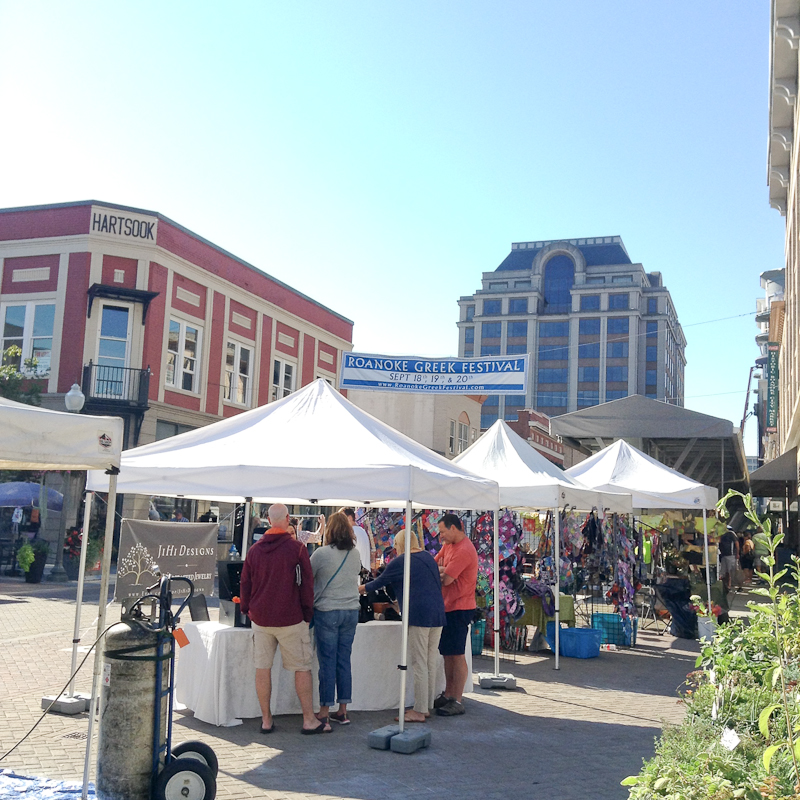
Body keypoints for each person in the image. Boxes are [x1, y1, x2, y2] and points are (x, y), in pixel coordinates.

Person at [239, 502, 328, 734]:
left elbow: (245, 584)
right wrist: (307, 613)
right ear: (288, 518)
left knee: (262, 668)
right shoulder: (296, 549)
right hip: (290, 618)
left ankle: (266, 720)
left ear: (268, 520)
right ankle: (309, 719)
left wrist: (247, 609)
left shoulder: (254, 550)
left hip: (261, 618)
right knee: (302, 668)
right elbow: (307, 585)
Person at [359, 527, 445, 722]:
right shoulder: (428, 558)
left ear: (399, 544)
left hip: (419, 615)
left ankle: (420, 710)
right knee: (430, 660)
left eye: (396, 545)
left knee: (419, 662)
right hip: (437, 614)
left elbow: (377, 583)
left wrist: (358, 589)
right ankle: (427, 704)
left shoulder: (401, 561)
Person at [309, 512, 362, 726]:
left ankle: (324, 710)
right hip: (351, 611)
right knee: (344, 660)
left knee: (327, 662)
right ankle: (343, 710)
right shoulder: (355, 554)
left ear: (329, 531)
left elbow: (307, 576)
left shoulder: (321, 554)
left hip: (328, 610)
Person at [434, 513, 478, 717]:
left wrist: (442, 570)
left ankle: (457, 699)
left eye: (442, 531)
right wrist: (442, 569)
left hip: (460, 607)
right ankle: (449, 693)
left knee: (457, 654)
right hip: (447, 606)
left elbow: (447, 579)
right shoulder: (449, 545)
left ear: (453, 528)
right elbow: (434, 566)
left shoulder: (464, 550)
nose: (440, 536)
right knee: (447, 653)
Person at [341, 507, 371, 572]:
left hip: (355, 576)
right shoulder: (362, 531)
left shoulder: (351, 532)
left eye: (341, 519)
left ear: (349, 518)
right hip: (363, 575)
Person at [719, 524, 740, 593]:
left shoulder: (731, 534)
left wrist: (737, 554)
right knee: (725, 571)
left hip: (730, 555)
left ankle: (730, 585)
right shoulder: (722, 535)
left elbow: (737, 544)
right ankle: (727, 585)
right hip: (724, 555)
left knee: (731, 571)